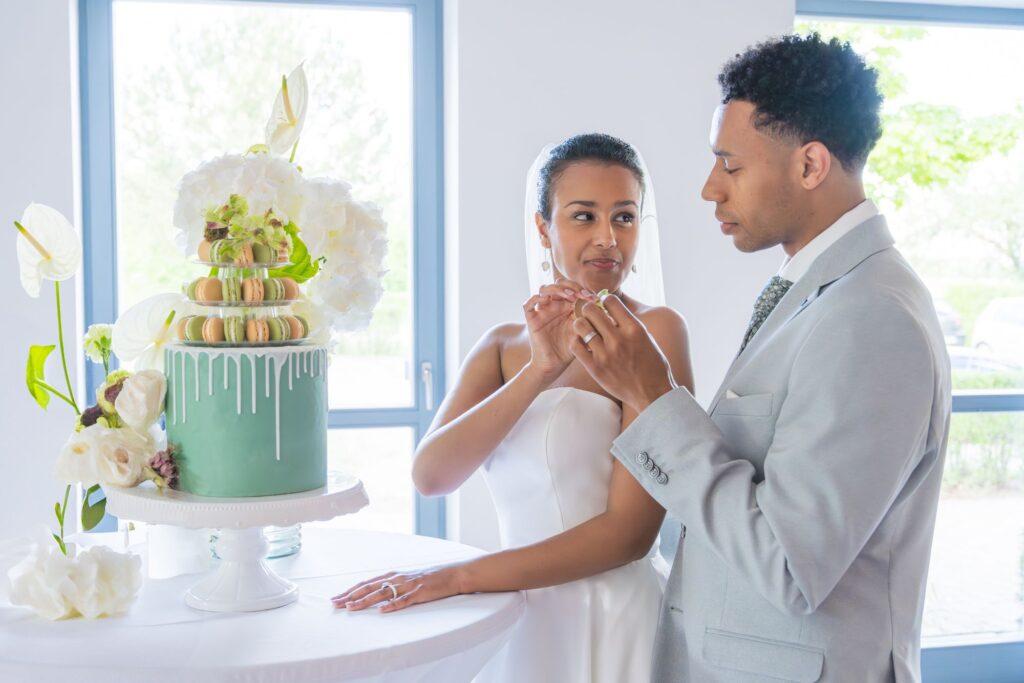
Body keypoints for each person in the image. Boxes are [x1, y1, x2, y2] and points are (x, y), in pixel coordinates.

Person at [569, 34, 951, 682]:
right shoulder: (816, 291)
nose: (709, 189)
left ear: (810, 165)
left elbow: (789, 564)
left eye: (730, 164)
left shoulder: (872, 316)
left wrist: (654, 398)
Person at [332, 133, 694, 683]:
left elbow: (630, 534)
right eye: (584, 216)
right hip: (521, 618)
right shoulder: (502, 347)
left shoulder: (655, 332)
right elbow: (432, 476)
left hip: (615, 622)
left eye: (624, 217)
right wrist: (539, 370)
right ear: (543, 228)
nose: (607, 238)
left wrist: (458, 578)